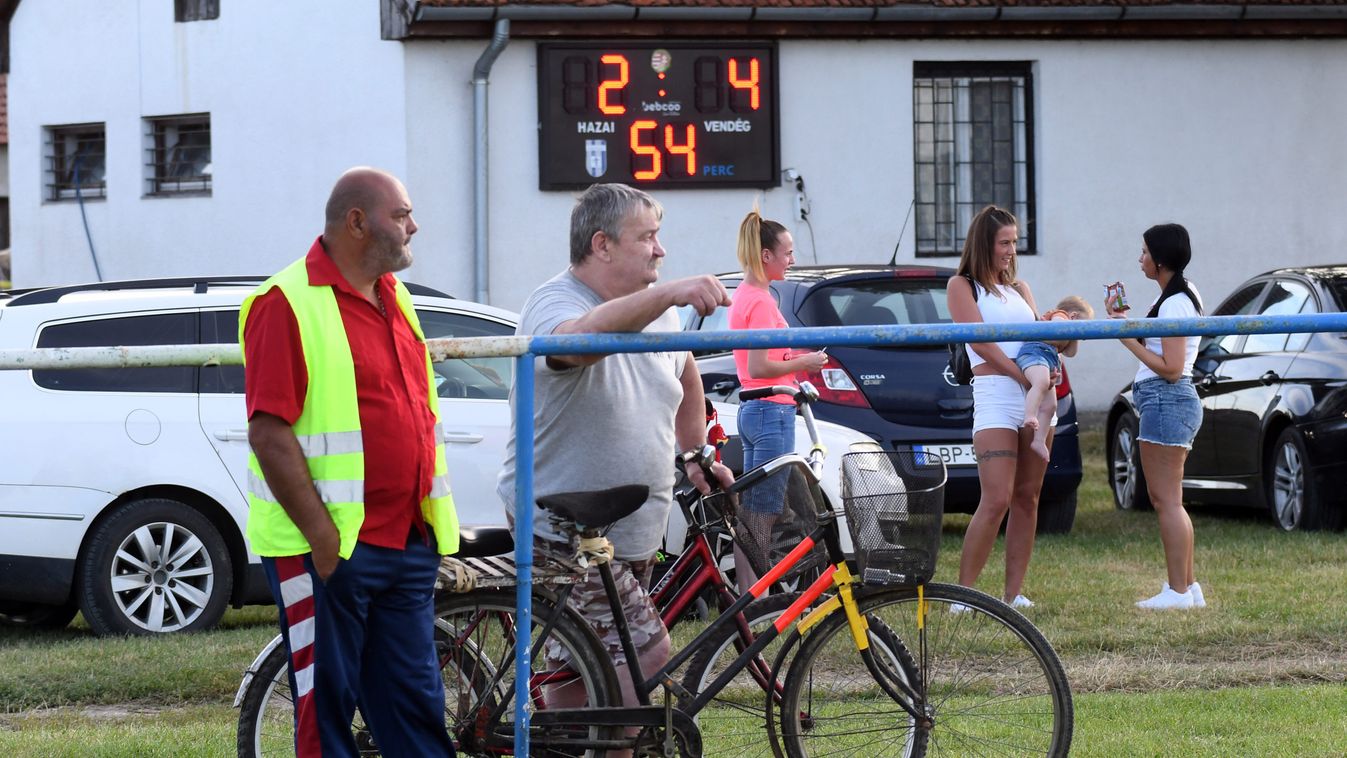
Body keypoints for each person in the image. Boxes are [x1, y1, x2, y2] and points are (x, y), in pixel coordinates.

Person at [496, 183, 735, 734]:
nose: (661, 249)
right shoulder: (556, 302)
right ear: (602, 245)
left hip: (626, 526)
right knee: (644, 656)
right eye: (647, 237)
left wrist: (694, 450)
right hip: (563, 522)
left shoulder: (661, 317)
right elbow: (572, 345)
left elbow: (685, 372)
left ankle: (566, 747)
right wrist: (669, 294)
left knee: (578, 670)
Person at [241, 167, 458, 757]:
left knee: (416, 710)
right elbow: (269, 432)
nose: (414, 226)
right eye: (402, 214)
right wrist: (324, 542)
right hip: (330, 553)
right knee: (325, 713)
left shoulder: (396, 297)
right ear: (357, 222)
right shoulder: (284, 302)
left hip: (406, 545)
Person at [946, 205, 1053, 609]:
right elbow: (979, 343)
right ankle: (964, 595)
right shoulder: (962, 286)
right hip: (996, 397)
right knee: (995, 498)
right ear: (984, 244)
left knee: (1028, 496)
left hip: (1034, 396)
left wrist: (1049, 360)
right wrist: (1021, 376)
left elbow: (1037, 339)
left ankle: (1013, 595)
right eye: (1004, 242)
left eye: (1014, 242)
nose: (1011, 250)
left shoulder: (1020, 289)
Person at [1106, 223, 1206, 611]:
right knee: (1171, 499)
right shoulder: (1175, 295)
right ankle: (1188, 587)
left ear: (1161, 259)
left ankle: (1177, 591)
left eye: (1145, 252)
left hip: (1167, 398)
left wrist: (1126, 339)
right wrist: (1128, 320)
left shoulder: (1176, 302)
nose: (1140, 258)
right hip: (1166, 400)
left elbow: (1172, 367)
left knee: (1166, 501)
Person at [726, 209, 827, 589]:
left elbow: (759, 363)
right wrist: (807, 361)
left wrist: (792, 360)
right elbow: (760, 364)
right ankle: (755, 597)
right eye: (787, 252)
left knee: (753, 512)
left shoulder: (746, 295)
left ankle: (749, 595)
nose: (792, 259)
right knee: (762, 513)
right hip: (771, 409)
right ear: (766, 255)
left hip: (755, 408)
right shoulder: (762, 301)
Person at [1018, 296, 1095, 462]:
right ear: (1073, 316)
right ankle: (1030, 414)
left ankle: (1038, 441)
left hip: (1047, 359)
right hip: (1034, 352)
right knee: (1042, 382)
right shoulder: (1059, 316)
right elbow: (1056, 327)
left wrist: (1076, 336)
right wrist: (1071, 327)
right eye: (1083, 325)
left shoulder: (1068, 332)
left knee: (1052, 405)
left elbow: (1070, 353)